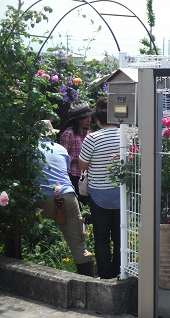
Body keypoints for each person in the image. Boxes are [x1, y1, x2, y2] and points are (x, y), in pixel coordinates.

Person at [37, 120, 94, 277]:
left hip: (39, 199)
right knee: (78, 245)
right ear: (52, 136)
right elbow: (65, 169)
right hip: (67, 197)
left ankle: (14, 257)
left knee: (16, 227)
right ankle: (88, 283)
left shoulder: (29, 150)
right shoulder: (61, 149)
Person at [79, 97, 121, 279]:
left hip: (98, 196)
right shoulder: (126, 135)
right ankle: (120, 271)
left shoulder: (92, 138)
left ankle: (105, 275)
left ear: (97, 118)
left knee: (102, 239)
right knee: (120, 238)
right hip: (121, 195)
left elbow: (82, 165)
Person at [59, 100, 93, 204]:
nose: (89, 120)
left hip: (88, 174)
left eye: (90, 117)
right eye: (85, 118)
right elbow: (63, 156)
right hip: (74, 174)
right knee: (79, 202)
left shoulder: (89, 132)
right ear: (78, 119)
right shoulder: (68, 134)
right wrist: (78, 159)